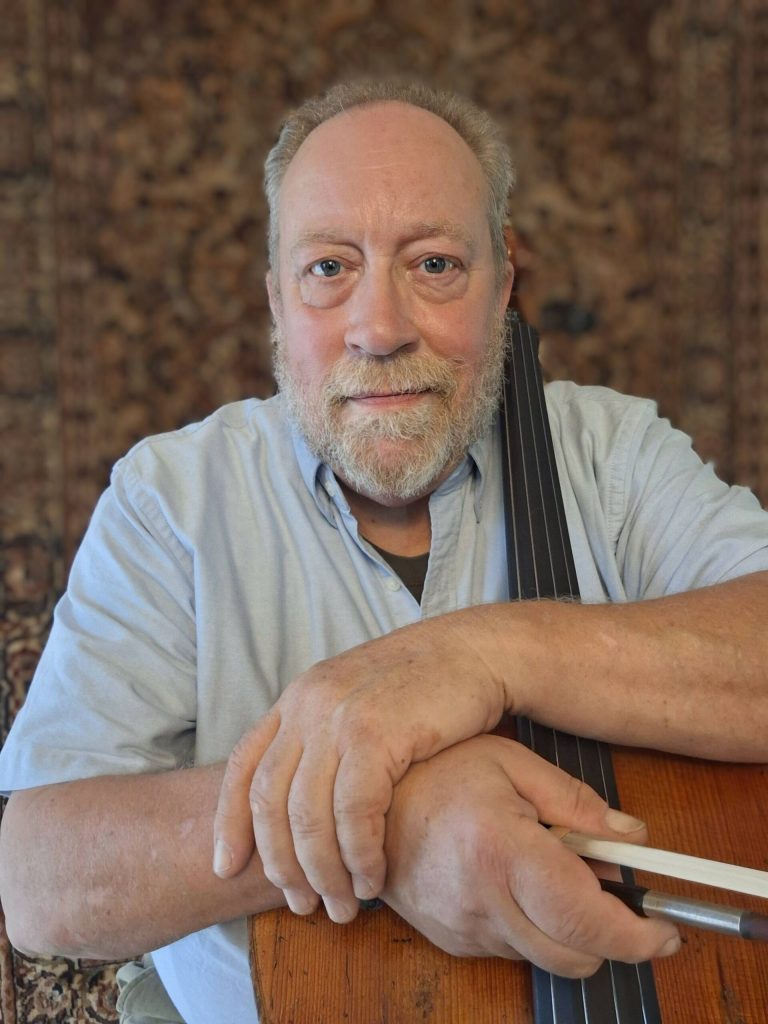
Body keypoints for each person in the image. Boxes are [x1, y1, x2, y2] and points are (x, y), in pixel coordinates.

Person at [1, 79, 767, 1024]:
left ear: (504, 282)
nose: (380, 328)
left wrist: (485, 655)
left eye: (435, 263)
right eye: (329, 268)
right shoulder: (172, 499)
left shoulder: (612, 456)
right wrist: (385, 820)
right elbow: (39, 881)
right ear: (276, 300)